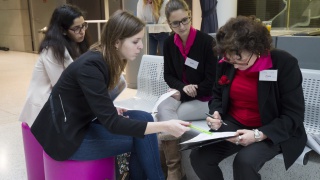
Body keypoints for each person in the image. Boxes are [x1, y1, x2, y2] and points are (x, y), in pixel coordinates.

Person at [31, 10, 191, 180]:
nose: (141, 46)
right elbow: (113, 124)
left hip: (78, 124)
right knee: (143, 138)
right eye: (135, 41)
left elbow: (90, 101)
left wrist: (109, 108)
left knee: (144, 117)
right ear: (117, 42)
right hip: (65, 138)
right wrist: (166, 126)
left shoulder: (103, 59)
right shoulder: (91, 67)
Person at [190, 15, 307, 180]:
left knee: (244, 162)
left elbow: (294, 115)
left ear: (256, 48)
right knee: (199, 157)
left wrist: (259, 134)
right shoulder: (227, 63)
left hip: (271, 128)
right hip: (235, 124)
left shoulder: (284, 63)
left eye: (240, 60)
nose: (236, 66)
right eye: (231, 61)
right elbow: (217, 94)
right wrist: (216, 113)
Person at [156, 0, 217, 179]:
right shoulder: (168, 43)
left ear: (190, 16)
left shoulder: (206, 42)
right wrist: (183, 88)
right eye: (176, 23)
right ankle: (174, 169)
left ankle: (170, 170)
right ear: (169, 24)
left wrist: (186, 90)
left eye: (185, 20)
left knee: (167, 119)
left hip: (204, 98)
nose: (182, 26)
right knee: (162, 109)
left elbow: (212, 81)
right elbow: (168, 76)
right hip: (181, 93)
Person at [19, 4, 90, 126]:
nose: (82, 31)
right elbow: (62, 85)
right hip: (46, 104)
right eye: (76, 28)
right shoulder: (51, 49)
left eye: (83, 25)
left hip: (64, 100)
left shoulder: (77, 43)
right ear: (62, 30)